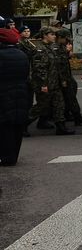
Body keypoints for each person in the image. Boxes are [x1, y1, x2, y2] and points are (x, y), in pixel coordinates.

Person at [30, 27, 72, 135]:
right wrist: (43, 84)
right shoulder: (39, 49)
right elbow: (39, 69)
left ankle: (61, 127)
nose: (54, 37)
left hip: (55, 83)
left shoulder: (52, 48)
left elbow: (58, 65)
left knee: (59, 105)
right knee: (41, 107)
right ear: (45, 35)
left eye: (54, 35)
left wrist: (62, 79)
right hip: (45, 84)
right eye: (52, 35)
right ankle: (22, 126)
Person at [0, 21, 30, 165]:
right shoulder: (21, 54)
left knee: (5, 125)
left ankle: (6, 157)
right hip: (21, 91)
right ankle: (13, 156)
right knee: (17, 124)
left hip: (4, 93)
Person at [55, 29, 82, 126]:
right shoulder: (55, 47)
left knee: (70, 96)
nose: (67, 42)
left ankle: (69, 115)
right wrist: (66, 52)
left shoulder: (61, 46)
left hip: (67, 76)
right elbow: (58, 63)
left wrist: (67, 54)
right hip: (62, 77)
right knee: (69, 98)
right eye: (66, 39)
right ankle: (76, 117)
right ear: (60, 38)